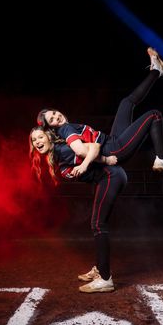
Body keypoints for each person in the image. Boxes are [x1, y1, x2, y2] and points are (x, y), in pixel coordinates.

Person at [37, 47, 163, 176]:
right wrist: (104, 160)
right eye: (52, 120)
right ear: (51, 127)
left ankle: (156, 71)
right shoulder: (65, 129)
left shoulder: (66, 128)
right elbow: (80, 151)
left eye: (55, 113)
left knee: (126, 103)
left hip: (111, 140)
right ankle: (162, 159)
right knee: (154, 115)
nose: (57, 117)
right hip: (114, 149)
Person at [29, 126, 127, 293]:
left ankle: (105, 279)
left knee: (97, 224)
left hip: (111, 176)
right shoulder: (56, 154)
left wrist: (105, 160)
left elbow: (94, 146)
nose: (37, 142)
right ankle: (99, 269)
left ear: (49, 137)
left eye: (40, 137)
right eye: (34, 140)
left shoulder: (63, 148)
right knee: (97, 223)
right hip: (106, 178)